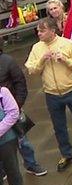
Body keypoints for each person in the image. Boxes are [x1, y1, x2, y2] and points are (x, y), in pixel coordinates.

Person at [25, 18, 72, 172]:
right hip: (51, 94)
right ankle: (66, 154)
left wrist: (65, 60)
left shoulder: (67, 44)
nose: (39, 33)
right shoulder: (36, 48)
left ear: (52, 30)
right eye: (38, 31)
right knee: (59, 127)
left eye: (42, 31)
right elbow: (31, 70)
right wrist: (42, 61)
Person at [0, 40, 45, 176]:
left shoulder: (7, 61)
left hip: (10, 110)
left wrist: (17, 105)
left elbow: (20, 83)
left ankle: (31, 164)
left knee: (22, 140)